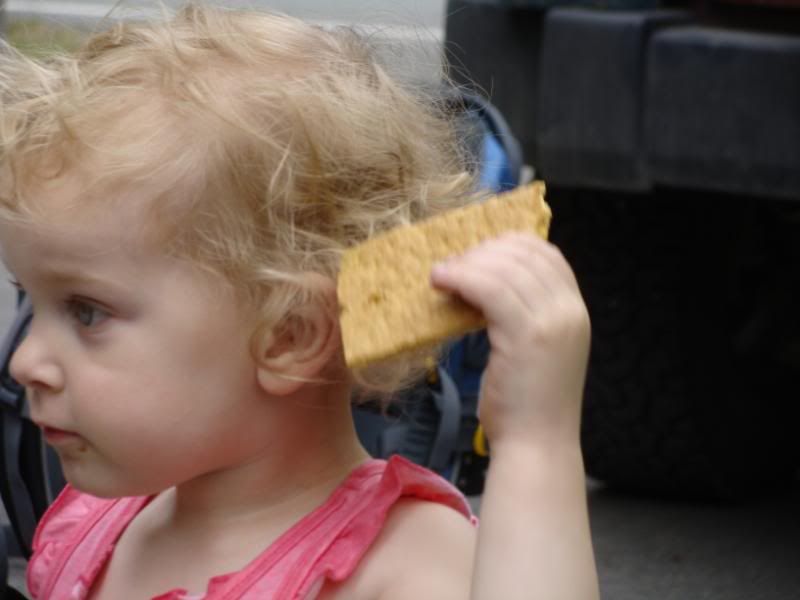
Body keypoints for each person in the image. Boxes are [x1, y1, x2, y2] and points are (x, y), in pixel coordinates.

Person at [0, 3, 599, 599]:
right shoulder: (93, 526)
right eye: (30, 299)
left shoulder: (402, 563)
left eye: (86, 311)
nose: (24, 361)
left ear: (289, 333)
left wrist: (534, 445)